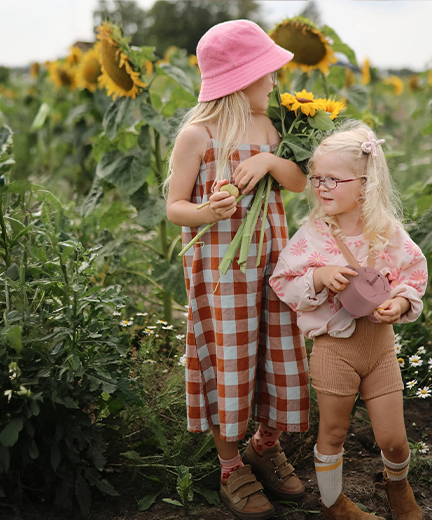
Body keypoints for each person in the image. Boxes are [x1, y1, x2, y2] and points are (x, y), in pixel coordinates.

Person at [165, 19, 310, 520]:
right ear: (240, 78)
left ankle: (264, 447)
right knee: (230, 360)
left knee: (278, 354)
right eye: (267, 72)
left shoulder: (270, 129)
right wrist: (209, 212)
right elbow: (174, 207)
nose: (274, 82)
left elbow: (297, 183)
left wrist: (271, 159)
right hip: (222, 276)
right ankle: (230, 466)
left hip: (271, 266)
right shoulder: (198, 135)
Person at [269, 121, 428, 520]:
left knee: (392, 439)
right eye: (316, 178)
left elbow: (414, 272)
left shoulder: (387, 233)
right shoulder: (312, 237)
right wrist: (318, 278)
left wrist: (402, 302)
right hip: (334, 350)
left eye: (332, 180)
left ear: (365, 184)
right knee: (334, 432)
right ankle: (332, 503)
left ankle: (397, 486)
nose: (321, 187)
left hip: (379, 348)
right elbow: (282, 281)